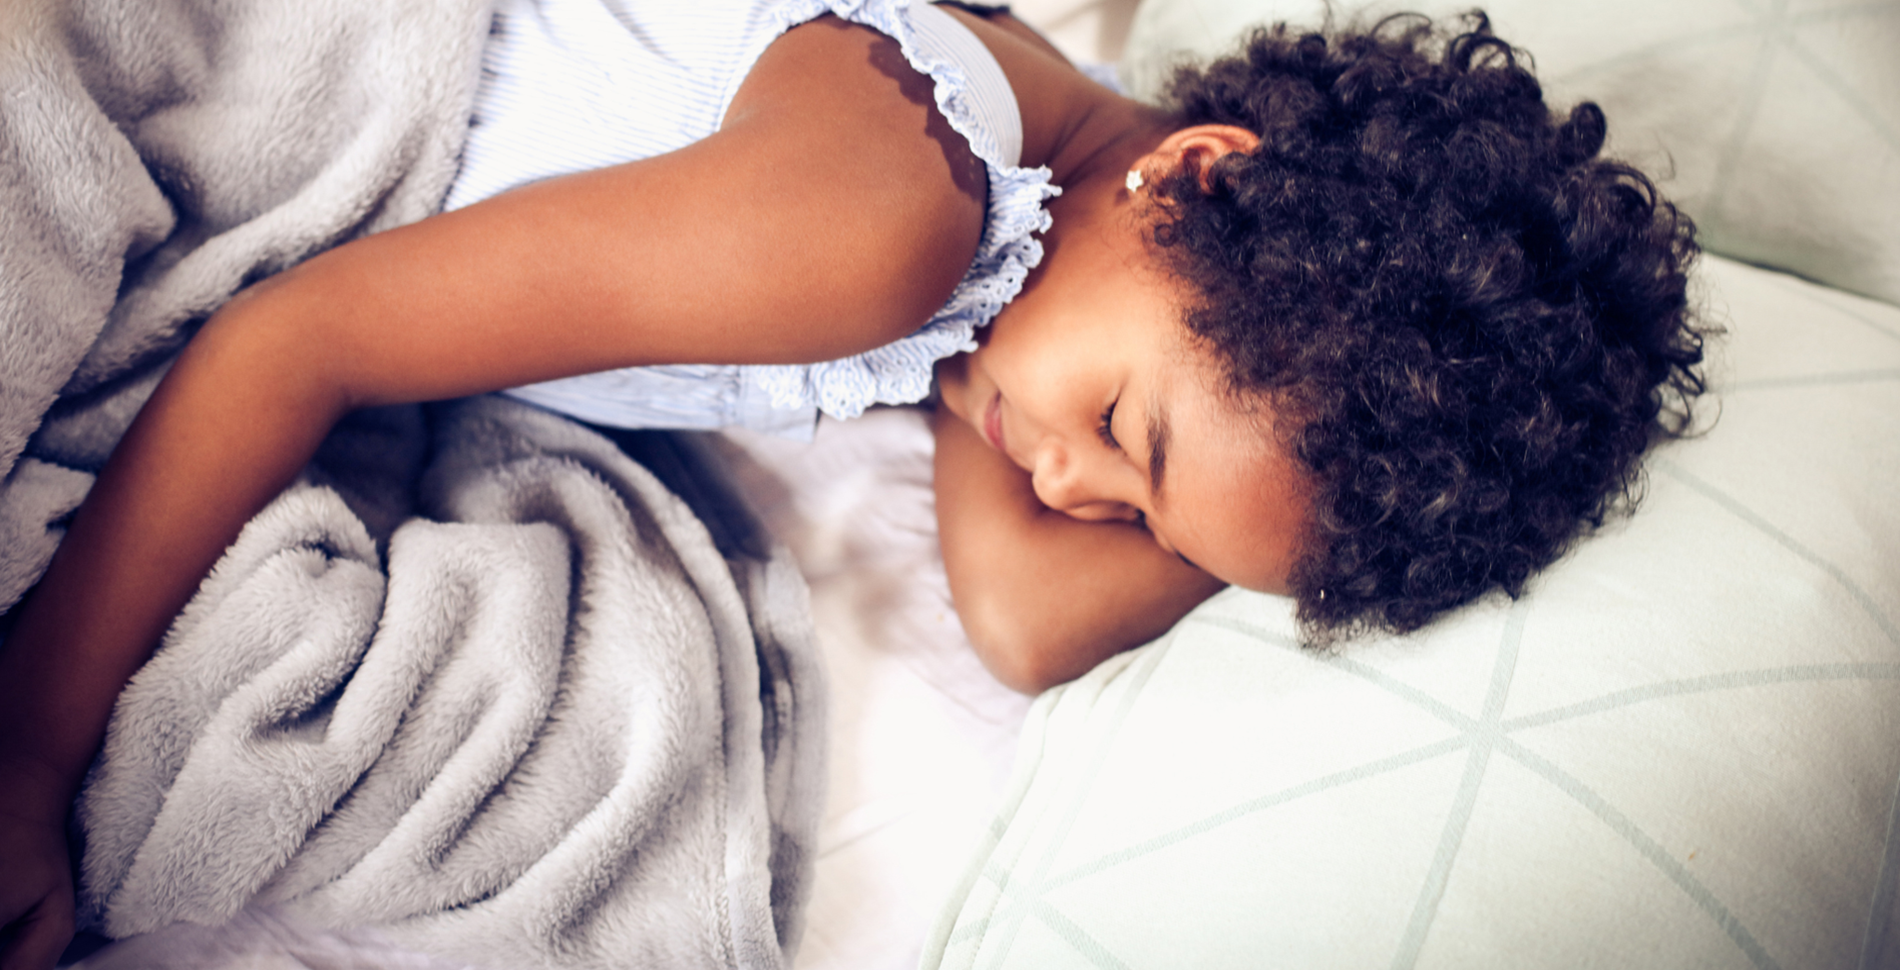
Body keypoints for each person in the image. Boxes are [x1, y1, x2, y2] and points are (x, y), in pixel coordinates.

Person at [0, 2, 1705, 966]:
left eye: (1135, 510)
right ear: (1191, 178)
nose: (1061, 477)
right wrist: (33, 745)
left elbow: (1024, 622)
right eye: (1127, 428)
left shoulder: (1068, 217)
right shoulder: (888, 224)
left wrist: (1250, 506)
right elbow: (294, 343)